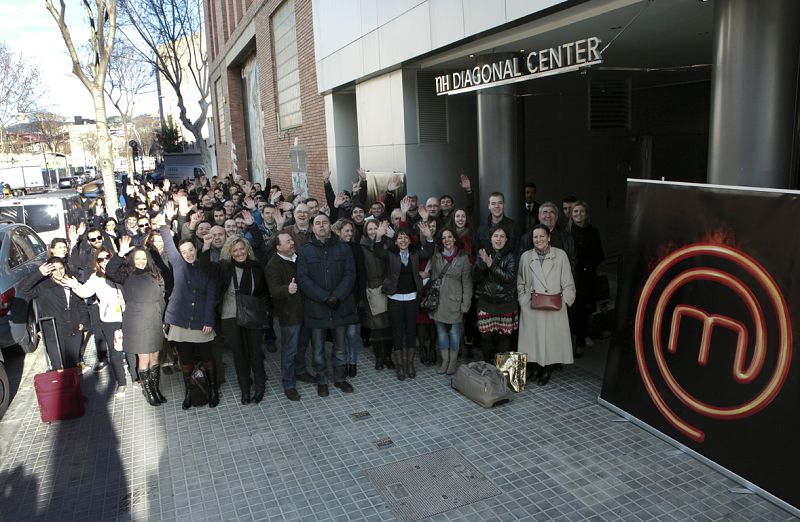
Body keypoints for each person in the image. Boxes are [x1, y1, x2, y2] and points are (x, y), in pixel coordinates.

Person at [161, 206, 220, 409]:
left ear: (196, 250)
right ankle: (189, 392)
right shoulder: (178, 265)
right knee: (185, 360)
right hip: (180, 321)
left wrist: (208, 321)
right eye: (183, 252)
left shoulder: (207, 268)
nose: (187, 254)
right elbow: (169, 245)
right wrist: (164, 224)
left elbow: (211, 296)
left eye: (190, 250)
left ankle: (213, 390)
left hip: (201, 321)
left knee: (207, 356)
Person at [296, 213, 358, 397]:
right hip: (317, 308)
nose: (321, 226)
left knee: (340, 347)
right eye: (317, 223)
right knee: (318, 349)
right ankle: (321, 379)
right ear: (312, 227)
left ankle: (340, 379)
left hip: (340, 306)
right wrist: (324, 297)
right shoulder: (305, 252)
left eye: (324, 222)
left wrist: (337, 296)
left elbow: (350, 274)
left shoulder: (343, 249)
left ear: (330, 226)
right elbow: (303, 280)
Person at [104, 237, 167, 406]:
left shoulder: (154, 274)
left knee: (155, 356)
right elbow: (109, 271)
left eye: (143, 258)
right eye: (137, 259)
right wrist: (120, 254)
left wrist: (163, 318)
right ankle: (148, 392)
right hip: (137, 321)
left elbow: (161, 298)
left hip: (154, 318)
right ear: (132, 260)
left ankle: (155, 388)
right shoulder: (126, 275)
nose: (140, 261)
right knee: (144, 357)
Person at [209, 235, 269, 405]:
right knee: (239, 354)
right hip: (229, 316)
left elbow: (264, 292)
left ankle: (259, 387)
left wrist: (264, 310)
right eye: (235, 250)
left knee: (256, 352)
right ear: (229, 252)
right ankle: (245, 390)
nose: (239, 252)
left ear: (247, 249)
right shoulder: (224, 267)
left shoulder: (257, 267)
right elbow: (206, 268)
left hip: (252, 316)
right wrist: (206, 245)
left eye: (242, 249)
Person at [516, 224, 576, 386]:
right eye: (535, 237)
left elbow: (568, 283)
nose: (539, 239)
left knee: (551, 340)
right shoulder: (526, 257)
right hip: (531, 305)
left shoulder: (560, 255)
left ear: (549, 237)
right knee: (532, 340)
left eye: (542, 236)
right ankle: (535, 369)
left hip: (554, 306)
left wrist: (564, 303)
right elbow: (520, 282)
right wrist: (523, 301)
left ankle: (547, 370)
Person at [376, 223, 434, 380]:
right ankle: (400, 366)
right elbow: (378, 252)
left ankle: (410, 364)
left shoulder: (415, 253)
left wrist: (429, 236)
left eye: (405, 237)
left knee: (410, 331)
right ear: (395, 241)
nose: (402, 240)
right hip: (394, 298)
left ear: (410, 241)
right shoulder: (391, 254)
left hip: (411, 298)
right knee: (397, 331)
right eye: (399, 237)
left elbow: (429, 252)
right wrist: (379, 236)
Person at [20, 257, 88, 370]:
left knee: (72, 369)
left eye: (61, 268)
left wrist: (83, 321)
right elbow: (24, 289)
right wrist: (39, 273)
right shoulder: (42, 286)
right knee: (58, 368)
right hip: (54, 333)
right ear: (49, 272)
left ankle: (75, 387)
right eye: (55, 269)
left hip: (73, 331)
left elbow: (80, 304)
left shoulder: (72, 281)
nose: (59, 272)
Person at [266, 232, 306, 401]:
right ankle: (289, 384)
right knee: (289, 350)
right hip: (289, 315)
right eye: (288, 241)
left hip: (305, 311)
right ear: (278, 247)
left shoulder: (298, 258)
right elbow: (273, 290)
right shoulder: (273, 265)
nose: (292, 243)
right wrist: (286, 290)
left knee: (302, 346)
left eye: (291, 240)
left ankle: (301, 372)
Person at [429, 227, 473, 375]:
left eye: (449, 237)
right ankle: (445, 361)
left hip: (455, 301)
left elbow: (467, 282)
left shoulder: (463, 257)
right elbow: (433, 277)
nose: (447, 240)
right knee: (441, 333)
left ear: (455, 239)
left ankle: (453, 362)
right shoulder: (436, 256)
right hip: (439, 301)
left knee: (454, 333)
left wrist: (465, 303)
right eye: (443, 238)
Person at [472, 225, 518, 362]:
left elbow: (509, 278)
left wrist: (491, 265)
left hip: (506, 304)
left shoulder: (511, 256)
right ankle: (487, 365)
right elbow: (475, 277)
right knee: (486, 337)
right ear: (490, 239)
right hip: (486, 303)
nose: (498, 239)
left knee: (504, 337)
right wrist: (483, 263)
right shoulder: (483, 254)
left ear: (506, 239)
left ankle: (501, 370)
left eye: (502, 236)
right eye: (495, 236)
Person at [568, 201, 604, 357]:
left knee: (583, 313)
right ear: (571, 214)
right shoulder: (566, 231)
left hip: (586, 279)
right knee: (569, 313)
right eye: (575, 212)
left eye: (581, 211)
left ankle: (580, 344)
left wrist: (586, 268)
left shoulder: (593, 232)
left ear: (586, 214)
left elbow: (599, 255)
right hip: (568, 278)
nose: (578, 214)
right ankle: (568, 344)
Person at [358, 220, 393, 370]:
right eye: (370, 229)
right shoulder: (362, 247)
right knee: (377, 326)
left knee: (389, 325)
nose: (373, 231)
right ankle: (379, 357)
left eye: (375, 228)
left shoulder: (387, 243)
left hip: (389, 287)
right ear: (366, 231)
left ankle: (388, 356)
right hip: (371, 288)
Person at [331, 218, 363, 377]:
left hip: (352, 298)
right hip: (337, 299)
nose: (350, 233)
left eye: (352, 231)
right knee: (339, 334)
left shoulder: (356, 248)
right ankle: (341, 364)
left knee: (351, 334)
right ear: (338, 232)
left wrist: (359, 297)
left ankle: (353, 362)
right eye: (347, 231)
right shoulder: (332, 249)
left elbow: (361, 274)